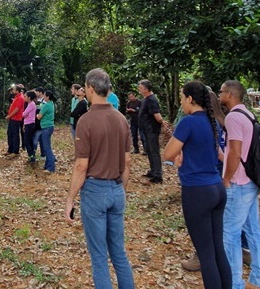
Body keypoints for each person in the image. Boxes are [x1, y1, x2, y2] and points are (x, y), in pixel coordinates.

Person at [63, 68, 134, 289]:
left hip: (95, 191)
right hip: (117, 188)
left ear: (91, 88)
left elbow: (81, 165)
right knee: (119, 252)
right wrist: (121, 189)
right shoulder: (121, 119)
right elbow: (128, 161)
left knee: (99, 256)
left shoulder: (86, 121)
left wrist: (70, 199)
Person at [162, 81, 231, 289]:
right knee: (218, 249)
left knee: (206, 254)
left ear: (190, 99)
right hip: (217, 188)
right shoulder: (213, 121)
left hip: (197, 191)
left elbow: (167, 153)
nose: (181, 103)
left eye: (182, 98)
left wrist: (178, 154)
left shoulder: (188, 122)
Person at [219, 80, 260, 289]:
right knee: (253, 231)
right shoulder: (248, 114)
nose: (219, 95)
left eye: (221, 92)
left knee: (230, 234)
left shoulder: (233, 117)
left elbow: (235, 152)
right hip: (251, 181)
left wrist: (226, 178)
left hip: (238, 183)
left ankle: (235, 283)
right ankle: (259, 279)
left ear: (230, 95)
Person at [137, 80, 165, 184]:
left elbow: (157, 115)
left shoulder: (152, 99)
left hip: (152, 129)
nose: (139, 89)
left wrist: (162, 122)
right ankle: (153, 171)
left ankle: (158, 174)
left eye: (140, 87)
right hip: (146, 129)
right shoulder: (146, 99)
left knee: (154, 151)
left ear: (146, 89)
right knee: (149, 150)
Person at [4, 84, 25, 157]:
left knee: (15, 135)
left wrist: (9, 116)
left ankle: (15, 151)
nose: (12, 91)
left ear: (17, 91)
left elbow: (17, 109)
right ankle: (10, 150)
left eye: (13, 89)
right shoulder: (16, 97)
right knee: (10, 134)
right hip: (12, 118)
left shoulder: (20, 98)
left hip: (16, 119)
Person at [38, 89, 56, 173]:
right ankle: (47, 165)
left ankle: (51, 167)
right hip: (50, 126)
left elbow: (39, 116)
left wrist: (37, 115)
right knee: (46, 146)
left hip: (46, 127)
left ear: (47, 97)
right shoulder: (51, 104)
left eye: (44, 95)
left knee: (47, 148)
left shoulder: (46, 105)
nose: (43, 97)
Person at [23, 90, 39, 162]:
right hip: (28, 123)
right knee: (29, 140)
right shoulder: (30, 104)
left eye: (25, 96)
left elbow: (24, 114)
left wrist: (24, 114)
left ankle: (31, 155)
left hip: (30, 124)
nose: (24, 98)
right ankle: (32, 155)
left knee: (26, 141)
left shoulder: (31, 104)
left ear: (29, 97)